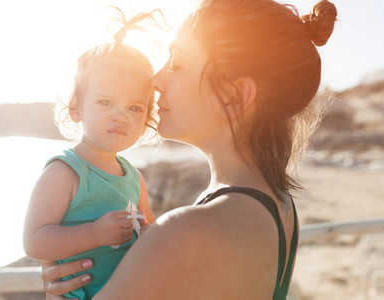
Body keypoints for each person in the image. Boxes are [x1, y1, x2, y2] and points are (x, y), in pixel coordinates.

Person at [40, 0, 337, 299]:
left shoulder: (186, 231)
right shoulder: (281, 205)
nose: (156, 80)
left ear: (234, 98)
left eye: (177, 64)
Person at [22, 10, 166, 300]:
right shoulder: (65, 173)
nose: (121, 116)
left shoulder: (135, 178)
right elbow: (34, 241)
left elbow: (147, 230)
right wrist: (95, 234)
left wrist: (154, 234)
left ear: (148, 117)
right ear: (76, 108)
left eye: (134, 108)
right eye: (106, 102)